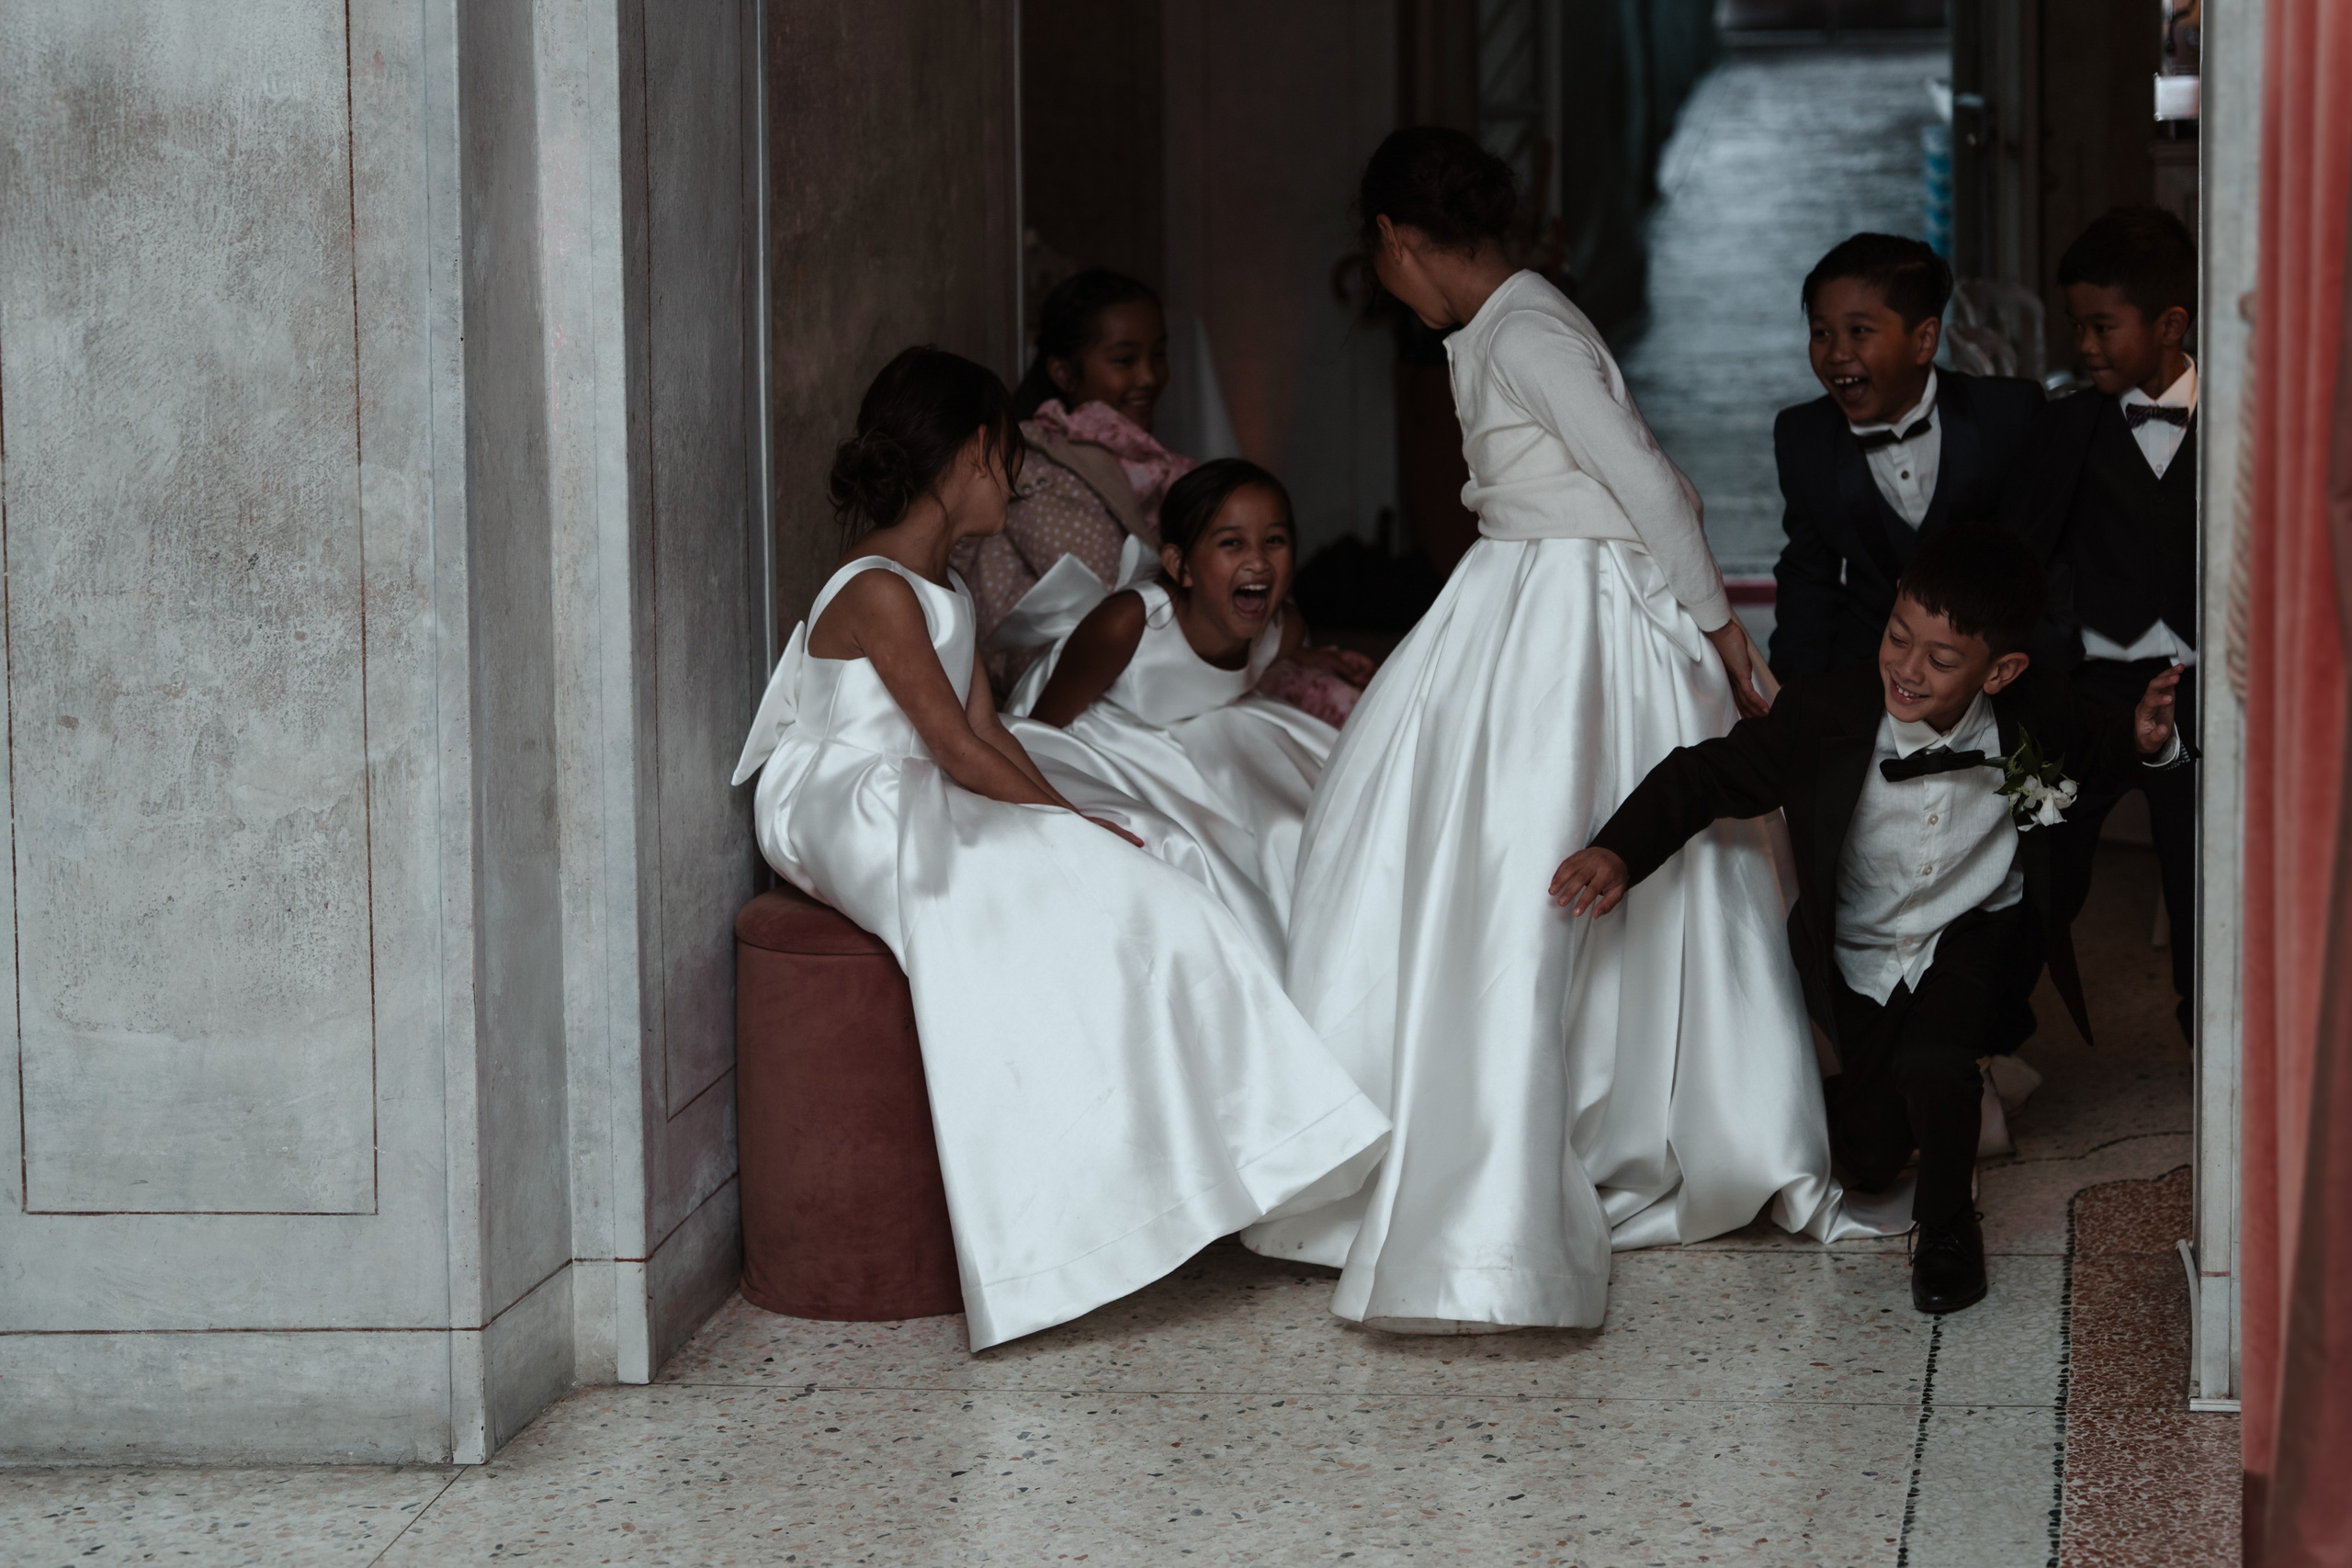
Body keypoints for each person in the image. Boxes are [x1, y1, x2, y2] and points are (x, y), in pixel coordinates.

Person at [1244, 128, 1862, 1337]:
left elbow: (1647, 479)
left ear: (1398, 242)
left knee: (1521, 848)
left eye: (1384, 262)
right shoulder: (1500, 327)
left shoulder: (1522, 330)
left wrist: (1718, 630)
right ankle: (1544, 1113)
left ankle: (1540, 1134)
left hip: (1567, 614)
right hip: (1521, 592)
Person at [732, 345, 1388, 1351]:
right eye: (1004, 461)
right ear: (961, 459)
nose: (1013, 483)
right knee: (1016, 892)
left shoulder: (941, 580)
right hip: (846, 796)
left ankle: (1252, 1152)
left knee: (1138, 880)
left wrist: (1072, 820)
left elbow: (989, 732)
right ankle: (1055, 1228)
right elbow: (947, 743)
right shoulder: (873, 588)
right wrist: (1046, 830)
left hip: (923, 776)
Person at [1552, 525, 2185, 1314]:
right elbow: (1707, 774)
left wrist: (2145, 741)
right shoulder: (1826, 711)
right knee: (1868, 1155)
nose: (1908, 669)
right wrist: (1618, 849)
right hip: (1865, 947)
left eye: (1942, 659)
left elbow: (2099, 750)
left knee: (1935, 1056)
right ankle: (1953, 1106)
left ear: (2003, 671)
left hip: (1972, 928)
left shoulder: (2041, 708)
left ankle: (1950, 1228)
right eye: (1898, 637)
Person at [1004, 459, 1373, 937]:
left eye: (1275, 541)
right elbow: (1042, 728)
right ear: (1181, 566)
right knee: (1194, 852)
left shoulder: (1285, 630)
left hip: (1202, 720)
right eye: (1231, 543)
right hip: (1102, 728)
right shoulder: (1127, 624)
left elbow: (1272, 650)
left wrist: (1313, 659)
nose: (1258, 560)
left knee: (1300, 820)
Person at [2007, 206, 2200, 1035]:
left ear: (2169, 324)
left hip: (2202, 692)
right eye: (2073, 325)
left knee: (2201, 869)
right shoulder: (2064, 426)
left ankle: (2213, 1040)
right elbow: (2024, 551)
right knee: (2033, 849)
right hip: (2086, 688)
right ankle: (1991, 1036)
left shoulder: (2254, 419)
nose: (2082, 344)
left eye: (2101, 325)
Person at [1770, 232, 2043, 678]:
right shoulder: (1803, 436)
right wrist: (1792, 702)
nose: (1837, 353)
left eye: (1860, 331)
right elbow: (1808, 580)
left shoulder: (2008, 416)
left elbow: (2042, 561)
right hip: (1868, 670)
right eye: (1821, 333)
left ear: (1924, 341)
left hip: (1989, 675)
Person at [956, 269, 1193, 688]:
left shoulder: (1145, 461)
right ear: (1063, 373)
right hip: (1067, 693)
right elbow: (1115, 604)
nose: (1149, 377)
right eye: (1125, 360)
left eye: (1159, 355)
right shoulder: (1035, 463)